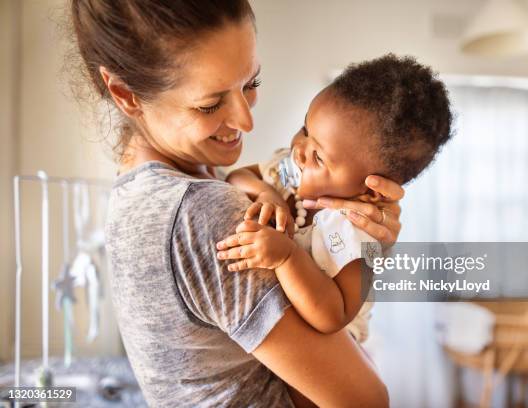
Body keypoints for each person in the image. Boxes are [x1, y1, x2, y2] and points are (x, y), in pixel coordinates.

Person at [71, 0, 403, 406]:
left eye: (252, 83)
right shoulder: (200, 212)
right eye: (210, 104)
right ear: (125, 94)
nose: (247, 122)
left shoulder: (152, 190)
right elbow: (365, 400)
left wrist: (361, 243)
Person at [219, 54, 452, 344]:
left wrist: (287, 257)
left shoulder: (356, 232)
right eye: (305, 129)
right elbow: (238, 176)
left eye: (318, 156)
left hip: (338, 352)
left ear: (370, 191)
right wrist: (265, 192)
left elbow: (333, 315)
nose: (300, 149)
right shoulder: (292, 171)